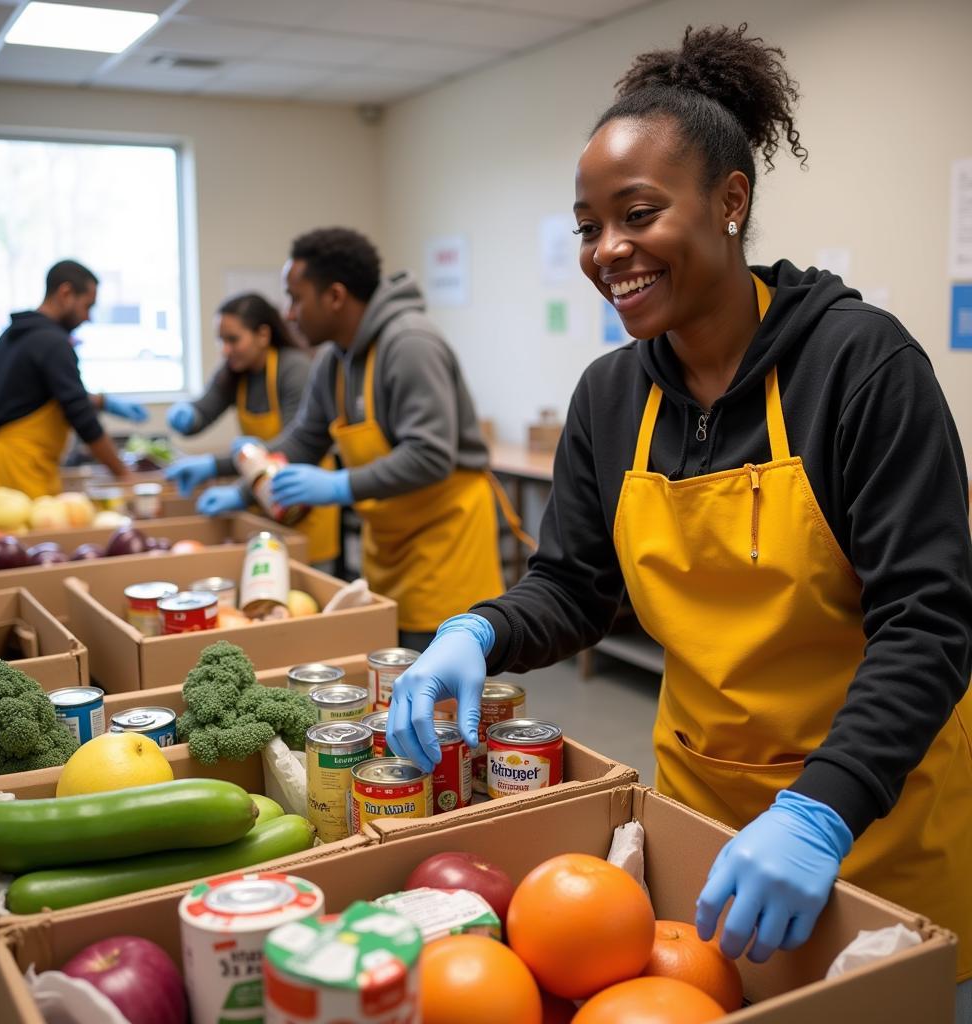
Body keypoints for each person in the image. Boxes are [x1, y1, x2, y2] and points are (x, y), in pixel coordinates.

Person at [385, 23, 972, 1009]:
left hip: (874, 811)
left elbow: (929, 623)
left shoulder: (859, 368)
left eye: (637, 213)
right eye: (586, 226)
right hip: (701, 815)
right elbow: (574, 583)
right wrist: (478, 629)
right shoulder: (612, 398)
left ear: (729, 201)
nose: (607, 250)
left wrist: (821, 811)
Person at [197, 227, 515, 651]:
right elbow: (305, 439)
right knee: (391, 672)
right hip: (389, 545)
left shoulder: (410, 344)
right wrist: (244, 489)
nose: (288, 314)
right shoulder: (333, 359)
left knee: (444, 689)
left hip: (444, 546)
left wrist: (338, 486)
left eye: (296, 298)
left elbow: (430, 455)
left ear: (335, 296)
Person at [163, 292, 340, 563]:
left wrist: (215, 466)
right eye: (221, 340)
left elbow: (293, 446)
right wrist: (187, 415)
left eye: (233, 339)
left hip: (303, 500)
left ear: (263, 335)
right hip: (261, 496)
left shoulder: (295, 369)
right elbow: (204, 410)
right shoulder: (236, 373)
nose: (225, 349)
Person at [0, 259, 147, 498]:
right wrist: (123, 474)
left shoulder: (13, 335)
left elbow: (36, 395)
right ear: (66, 293)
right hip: (19, 470)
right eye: (87, 306)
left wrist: (103, 402)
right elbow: (82, 418)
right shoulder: (54, 344)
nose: (88, 317)